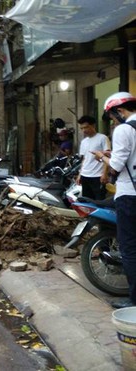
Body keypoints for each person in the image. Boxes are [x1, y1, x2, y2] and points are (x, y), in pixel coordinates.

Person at [91, 92, 136, 308]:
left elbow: (116, 166)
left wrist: (102, 157)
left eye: (112, 116)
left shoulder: (123, 129)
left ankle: (134, 300)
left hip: (129, 196)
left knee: (129, 248)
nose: (112, 120)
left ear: (119, 111)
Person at [76, 115, 111, 200]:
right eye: (82, 128)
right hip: (85, 175)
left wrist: (104, 173)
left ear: (93, 125)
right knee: (87, 202)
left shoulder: (103, 138)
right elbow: (85, 159)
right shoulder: (84, 141)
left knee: (99, 201)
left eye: (86, 127)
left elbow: (107, 155)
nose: (84, 130)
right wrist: (80, 175)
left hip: (98, 176)